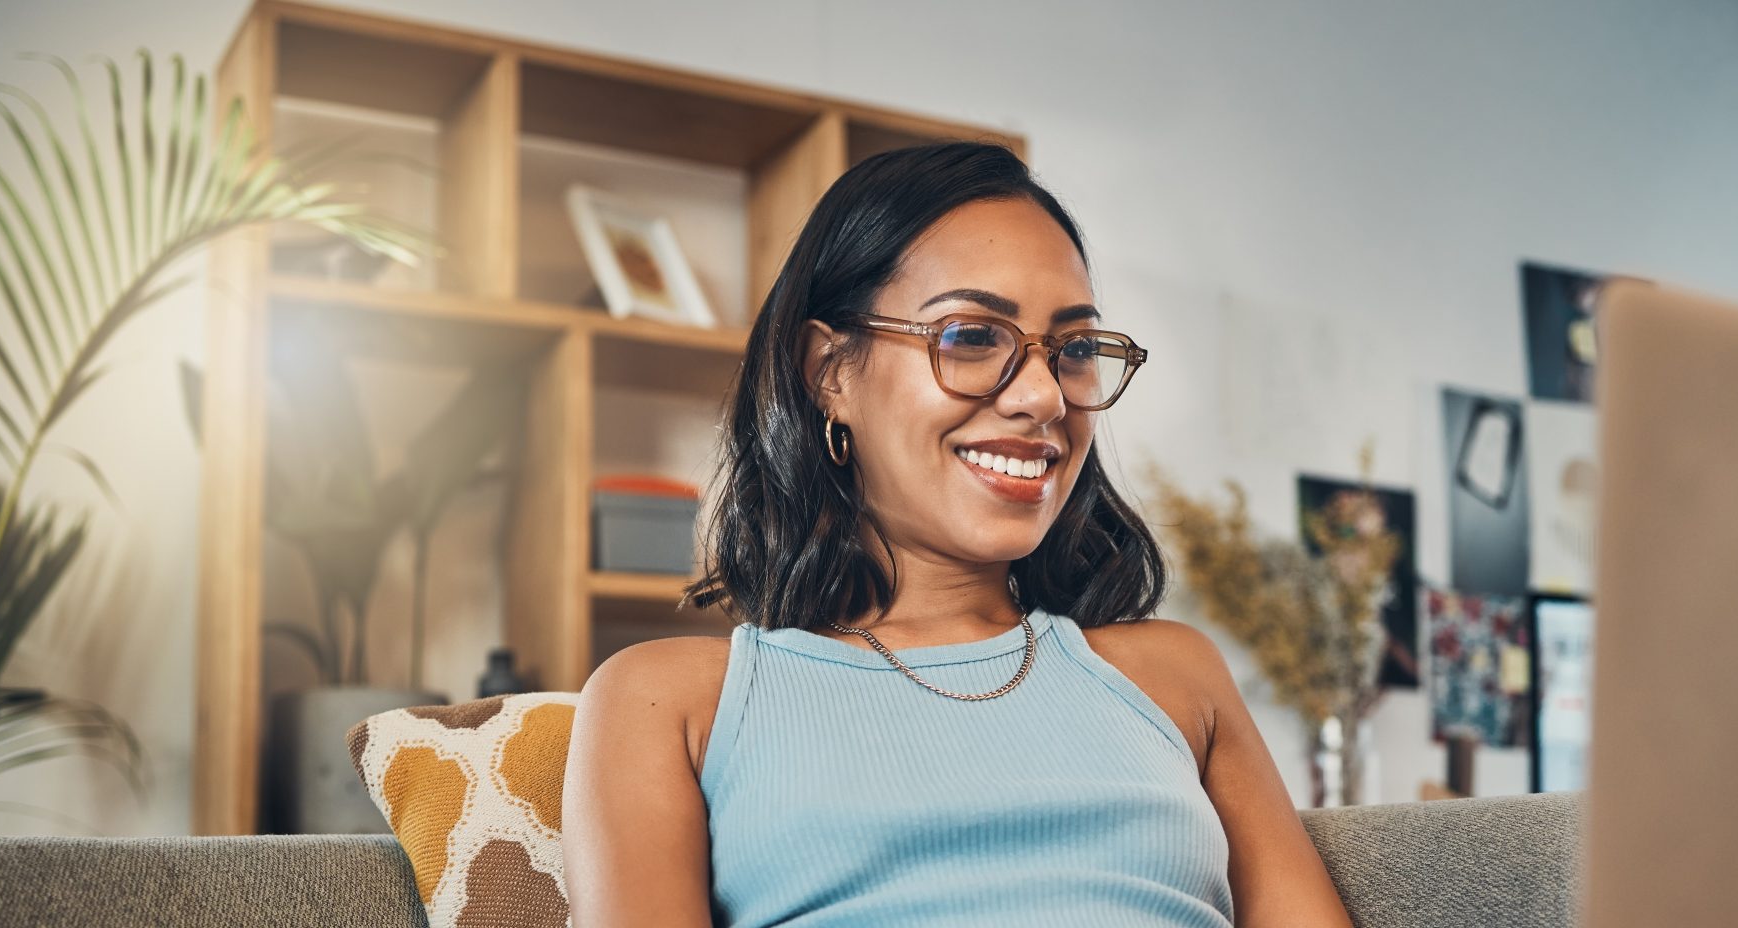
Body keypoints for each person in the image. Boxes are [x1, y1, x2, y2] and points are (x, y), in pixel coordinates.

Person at [562, 141, 1352, 928]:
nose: (1044, 396)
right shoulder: (666, 702)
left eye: (1073, 350)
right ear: (829, 372)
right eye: (972, 336)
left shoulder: (1175, 679)